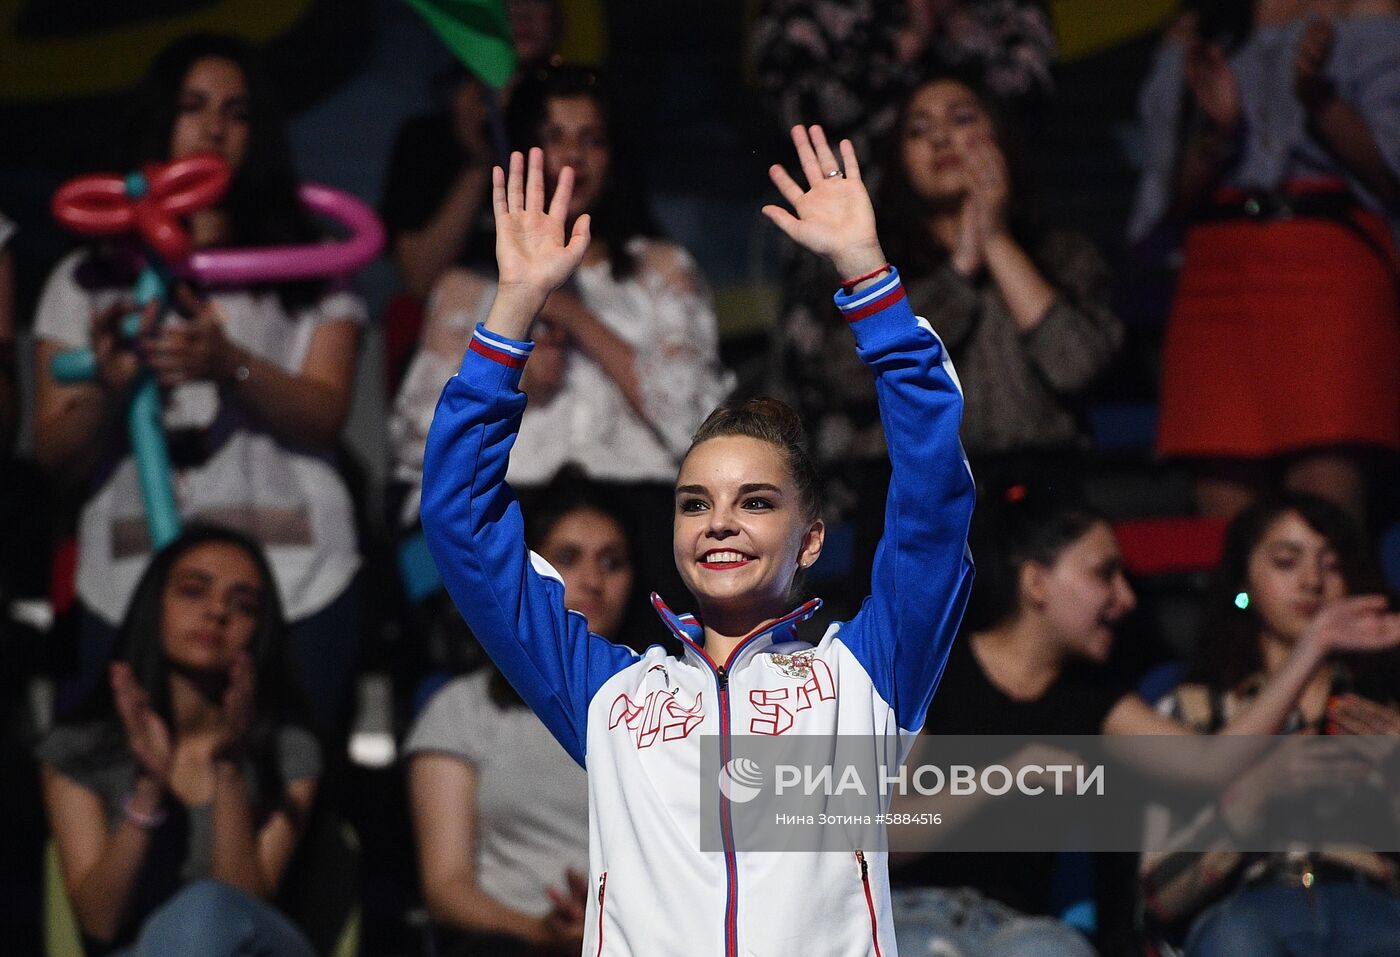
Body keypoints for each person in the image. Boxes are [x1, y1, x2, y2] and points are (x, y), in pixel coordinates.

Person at [419, 126, 975, 953]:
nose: (719, 521)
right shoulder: (607, 696)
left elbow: (932, 497)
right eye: (694, 503)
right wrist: (516, 305)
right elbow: (459, 520)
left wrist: (865, 272)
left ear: (812, 539)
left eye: (755, 502)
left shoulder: (864, 679)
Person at [32, 35, 366, 731]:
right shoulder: (86, 278)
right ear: (159, 119)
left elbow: (325, 413)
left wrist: (230, 365)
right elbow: (54, 452)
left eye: (237, 112)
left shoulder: (310, 270)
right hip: (127, 582)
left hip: (294, 580)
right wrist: (113, 386)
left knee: (282, 791)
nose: (214, 127)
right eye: (193, 106)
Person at [391, 63, 730, 610]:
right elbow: (422, 443)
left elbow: (696, 423)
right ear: (523, 149)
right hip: (507, 511)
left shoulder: (662, 268)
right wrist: (511, 372)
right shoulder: (468, 284)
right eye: (553, 138)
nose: (572, 157)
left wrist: (572, 314)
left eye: (591, 139)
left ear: (614, 157)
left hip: (638, 518)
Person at [775, 73, 1121, 607]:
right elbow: (845, 375)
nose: (941, 141)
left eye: (962, 119)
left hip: (1041, 497)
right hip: (910, 499)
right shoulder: (867, 263)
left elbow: (1076, 364)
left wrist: (995, 237)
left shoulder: (1061, 254)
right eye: (920, 130)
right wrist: (960, 270)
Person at [1134, 0, 1400, 523]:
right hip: (1217, 271)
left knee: (1325, 521)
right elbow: (1163, 198)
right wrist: (1219, 138)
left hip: (1326, 264)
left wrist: (1321, 102)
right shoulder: (1199, 26)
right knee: (1230, 534)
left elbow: (1391, 177)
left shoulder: (1366, 9)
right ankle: (1239, 608)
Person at [37, 526, 320, 956]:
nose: (217, 613)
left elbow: (243, 906)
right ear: (156, 606)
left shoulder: (289, 750)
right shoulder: (78, 748)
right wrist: (149, 790)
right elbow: (99, 921)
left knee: (205, 910)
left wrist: (228, 766)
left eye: (241, 604)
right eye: (194, 592)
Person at [1138, 492, 1400, 955]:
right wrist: (1255, 797)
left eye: (1332, 565)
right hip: (1248, 905)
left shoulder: (1383, 707)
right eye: (1286, 561)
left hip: (1371, 900)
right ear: (1244, 580)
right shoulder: (1192, 710)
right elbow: (1159, 896)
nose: (1313, 581)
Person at [889, 487, 1135, 957]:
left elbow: (1211, 764)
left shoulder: (1092, 698)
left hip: (1020, 928)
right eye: (1105, 574)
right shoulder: (940, 671)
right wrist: (1008, 773)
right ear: (1036, 583)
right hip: (913, 912)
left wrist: (1311, 649)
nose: (1126, 598)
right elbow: (882, 834)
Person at [405, 478, 635, 955]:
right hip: (510, 941)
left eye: (612, 562)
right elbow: (446, 887)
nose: (593, 580)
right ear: (527, 574)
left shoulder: (669, 698)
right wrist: (543, 934)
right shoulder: (461, 709)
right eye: (568, 558)